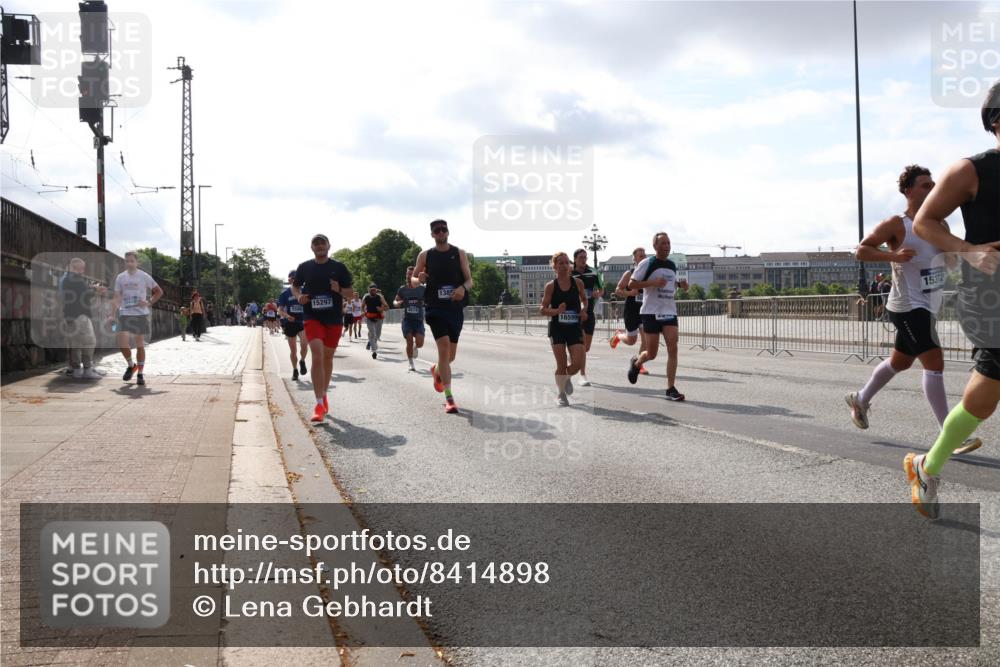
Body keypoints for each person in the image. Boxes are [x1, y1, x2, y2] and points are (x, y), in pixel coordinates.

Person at [904, 81, 1000, 519]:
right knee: (984, 395)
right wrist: (968, 250)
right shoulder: (970, 170)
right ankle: (928, 465)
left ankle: (928, 465)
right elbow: (925, 222)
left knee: (986, 395)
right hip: (990, 293)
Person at [846, 165, 982, 456]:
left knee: (901, 362)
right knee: (934, 360)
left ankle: (860, 398)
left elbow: (950, 259)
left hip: (928, 305)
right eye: (924, 185)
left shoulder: (939, 225)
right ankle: (950, 433)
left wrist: (953, 260)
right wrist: (893, 255)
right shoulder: (898, 224)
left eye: (933, 184)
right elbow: (862, 250)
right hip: (907, 305)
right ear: (908, 190)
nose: (932, 189)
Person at [413, 219, 473, 414]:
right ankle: (449, 398)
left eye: (443, 230)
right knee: (444, 347)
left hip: (454, 309)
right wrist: (418, 279)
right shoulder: (425, 255)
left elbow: (469, 280)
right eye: (436, 231)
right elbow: (412, 280)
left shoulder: (459, 253)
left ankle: (437, 369)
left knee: (449, 357)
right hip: (435, 308)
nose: (440, 233)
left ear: (448, 232)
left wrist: (462, 289)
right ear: (432, 234)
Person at [292, 233, 354, 422]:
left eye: (322, 243)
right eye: (315, 243)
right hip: (312, 317)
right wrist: (299, 297)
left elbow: (351, 294)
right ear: (312, 247)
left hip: (333, 318)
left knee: (327, 358)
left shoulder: (339, 267)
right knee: (317, 356)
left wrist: (339, 290)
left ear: (329, 246)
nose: (319, 246)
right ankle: (318, 404)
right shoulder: (304, 267)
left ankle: (324, 394)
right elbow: (295, 287)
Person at [627, 231, 688, 401]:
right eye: (662, 243)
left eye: (668, 243)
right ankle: (637, 363)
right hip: (650, 312)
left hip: (669, 311)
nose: (666, 246)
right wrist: (653, 283)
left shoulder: (671, 265)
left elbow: (670, 284)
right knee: (652, 353)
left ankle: (670, 388)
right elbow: (632, 284)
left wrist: (680, 285)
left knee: (673, 348)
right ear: (655, 246)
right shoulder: (647, 263)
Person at [541, 252, 588, 406]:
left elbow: (585, 300)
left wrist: (583, 310)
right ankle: (561, 394)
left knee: (578, 363)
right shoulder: (551, 286)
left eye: (566, 262)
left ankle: (566, 377)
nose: (564, 265)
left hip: (574, 327)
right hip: (557, 329)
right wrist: (556, 311)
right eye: (560, 263)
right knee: (561, 365)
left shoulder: (578, 283)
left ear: (570, 265)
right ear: (554, 266)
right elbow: (543, 309)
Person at [109, 251, 163, 386]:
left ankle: (140, 373)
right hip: (125, 313)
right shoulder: (121, 278)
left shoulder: (144, 276)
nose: (129, 263)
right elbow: (116, 297)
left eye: (132, 261)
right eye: (126, 261)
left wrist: (149, 302)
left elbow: (159, 291)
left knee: (139, 343)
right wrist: (112, 314)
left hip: (140, 313)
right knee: (122, 342)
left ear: (137, 262)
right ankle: (131, 365)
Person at [61, 257, 104, 378]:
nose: (83, 271)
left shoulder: (67, 279)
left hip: (69, 315)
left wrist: (92, 287)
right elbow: (86, 294)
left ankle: (76, 369)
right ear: (77, 268)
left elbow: (81, 290)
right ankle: (87, 369)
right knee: (89, 342)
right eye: (82, 268)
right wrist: (97, 291)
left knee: (75, 343)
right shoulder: (76, 279)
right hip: (80, 315)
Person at [609, 247, 649, 375]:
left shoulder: (649, 274)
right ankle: (618, 335)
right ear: (635, 259)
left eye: (644, 255)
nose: (644, 257)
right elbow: (617, 290)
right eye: (640, 256)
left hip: (644, 310)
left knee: (645, 339)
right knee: (632, 341)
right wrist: (630, 292)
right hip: (631, 310)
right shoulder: (629, 274)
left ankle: (639, 364)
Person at [571, 249, 604, 386]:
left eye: (585, 257)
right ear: (575, 259)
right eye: (580, 257)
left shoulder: (593, 272)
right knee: (582, 344)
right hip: (574, 313)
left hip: (589, 312)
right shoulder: (570, 273)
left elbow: (602, 289)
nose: (583, 260)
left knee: (587, 347)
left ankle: (574, 359)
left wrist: (598, 293)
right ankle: (582, 374)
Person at [277, 270, 309, 381]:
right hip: (290, 323)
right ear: (289, 279)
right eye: (293, 278)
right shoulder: (284, 294)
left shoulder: (304, 291)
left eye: (297, 278)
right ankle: (295, 370)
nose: (295, 280)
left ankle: (302, 361)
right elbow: (279, 311)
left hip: (302, 322)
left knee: (305, 345)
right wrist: (286, 316)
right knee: (293, 350)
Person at [394, 266, 426, 371]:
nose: (409, 276)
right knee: (409, 340)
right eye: (408, 274)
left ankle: (416, 348)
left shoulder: (422, 289)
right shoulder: (403, 289)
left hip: (418, 320)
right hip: (407, 319)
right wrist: (396, 303)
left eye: (412, 274)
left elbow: (430, 299)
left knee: (420, 343)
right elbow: (395, 300)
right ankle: (411, 362)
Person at [362, 284, 388, 358]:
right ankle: (374, 351)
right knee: (372, 333)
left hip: (378, 317)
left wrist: (381, 309)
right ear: (369, 290)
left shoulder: (380, 297)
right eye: (371, 289)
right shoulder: (366, 297)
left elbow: (386, 306)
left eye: (374, 289)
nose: (373, 291)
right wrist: (364, 312)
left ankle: (371, 342)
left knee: (377, 334)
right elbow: (362, 306)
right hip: (369, 317)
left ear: (376, 290)